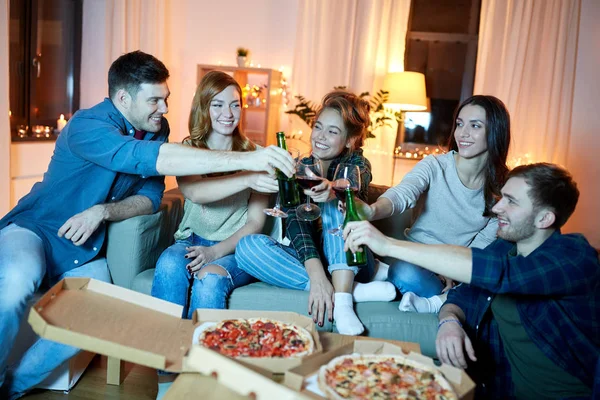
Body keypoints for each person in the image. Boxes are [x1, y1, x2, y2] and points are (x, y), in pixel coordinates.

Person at [0, 51, 294, 399]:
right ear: (123, 98)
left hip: (84, 248)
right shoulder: (87, 125)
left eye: (166, 99)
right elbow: (155, 162)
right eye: (154, 100)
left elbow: (151, 198)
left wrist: (103, 212)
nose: (164, 108)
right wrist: (251, 161)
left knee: (99, 311)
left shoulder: (157, 130)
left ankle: (12, 387)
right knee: (18, 280)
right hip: (37, 229)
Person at [343, 163, 599, 399]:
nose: (497, 207)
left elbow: (497, 273)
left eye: (511, 201)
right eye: (502, 198)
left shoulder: (575, 256)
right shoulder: (502, 249)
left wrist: (387, 244)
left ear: (545, 219)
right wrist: (450, 321)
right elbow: (462, 295)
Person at [150, 71, 276, 398]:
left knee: (209, 279)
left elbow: (254, 225)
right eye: (217, 104)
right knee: (168, 264)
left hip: (235, 250)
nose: (227, 113)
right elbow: (197, 193)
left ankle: (203, 381)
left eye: (235, 105)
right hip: (190, 241)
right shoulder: (188, 150)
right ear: (203, 107)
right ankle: (167, 375)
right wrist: (248, 177)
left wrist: (216, 252)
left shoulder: (256, 154)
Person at [235, 90, 396, 336]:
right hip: (317, 263)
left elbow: (354, 184)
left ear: (351, 140)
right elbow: (296, 226)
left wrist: (333, 191)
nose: (320, 137)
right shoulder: (302, 168)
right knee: (247, 247)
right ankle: (350, 291)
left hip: (354, 260)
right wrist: (318, 278)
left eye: (332, 131)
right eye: (318, 127)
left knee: (337, 205)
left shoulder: (358, 164)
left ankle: (342, 301)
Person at [354, 95, 510, 314]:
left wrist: (450, 271)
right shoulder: (435, 165)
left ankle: (431, 298)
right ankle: (435, 297)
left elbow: (480, 248)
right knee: (404, 271)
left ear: (495, 132)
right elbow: (403, 193)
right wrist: (372, 210)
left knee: (489, 275)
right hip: (411, 257)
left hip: (451, 268)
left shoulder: (502, 191)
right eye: (459, 124)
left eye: (475, 126)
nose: (462, 133)